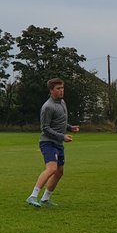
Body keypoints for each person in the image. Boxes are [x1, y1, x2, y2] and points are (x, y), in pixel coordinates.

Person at [27, 78, 80, 208]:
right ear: (51, 90)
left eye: (62, 88)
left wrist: (70, 127)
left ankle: (45, 199)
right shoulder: (47, 107)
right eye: (58, 89)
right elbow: (45, 128)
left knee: (59, 172)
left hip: (58, 143)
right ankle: (32, 196)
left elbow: (59, 122)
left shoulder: (62, 102)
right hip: (48, 142)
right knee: (52, 169)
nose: (61, 91)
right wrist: (62, 136)